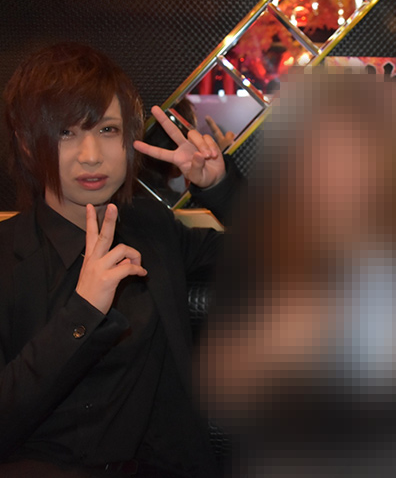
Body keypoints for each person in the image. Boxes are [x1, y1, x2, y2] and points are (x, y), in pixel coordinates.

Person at [197, 70, 396, 477]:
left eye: (357, 152)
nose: (341, 172)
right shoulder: (263, 249)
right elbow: (221, 393)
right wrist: (270, 344)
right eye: (324, 154)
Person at [0, 43, 241, 477]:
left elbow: (277, 252)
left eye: (108, 130)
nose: (91, 155)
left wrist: (219, 187)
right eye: (66, 132)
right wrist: (83, 313)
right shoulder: (7, 254)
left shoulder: (151, 228)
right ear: (27, 143)